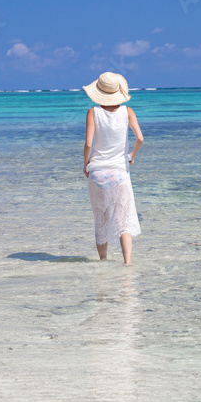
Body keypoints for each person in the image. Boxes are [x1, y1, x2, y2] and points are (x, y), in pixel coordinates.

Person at [82, 72, 144, 265]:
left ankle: (103, 262)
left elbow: (88, 144)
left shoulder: (93, 112)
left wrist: (86, 165)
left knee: (101, 219)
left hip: (98, 174)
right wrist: (131, 155)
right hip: (119, 173)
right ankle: (127, 264)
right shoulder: (128, 112)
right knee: (122, 221)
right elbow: (140, 138)